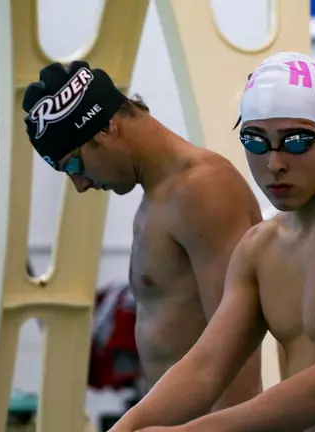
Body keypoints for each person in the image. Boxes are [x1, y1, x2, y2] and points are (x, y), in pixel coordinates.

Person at [111, 51, 315, 432]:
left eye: (295, 141)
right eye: (255, 142)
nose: (274, 163)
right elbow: (205, 369)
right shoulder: (260, 248)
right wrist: (125, 427)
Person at [21, 61, 263, 411]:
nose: (80, 184)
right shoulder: (158, 197)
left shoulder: (201, 190)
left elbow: (237, 351)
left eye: (73, 164)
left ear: (106, 128)